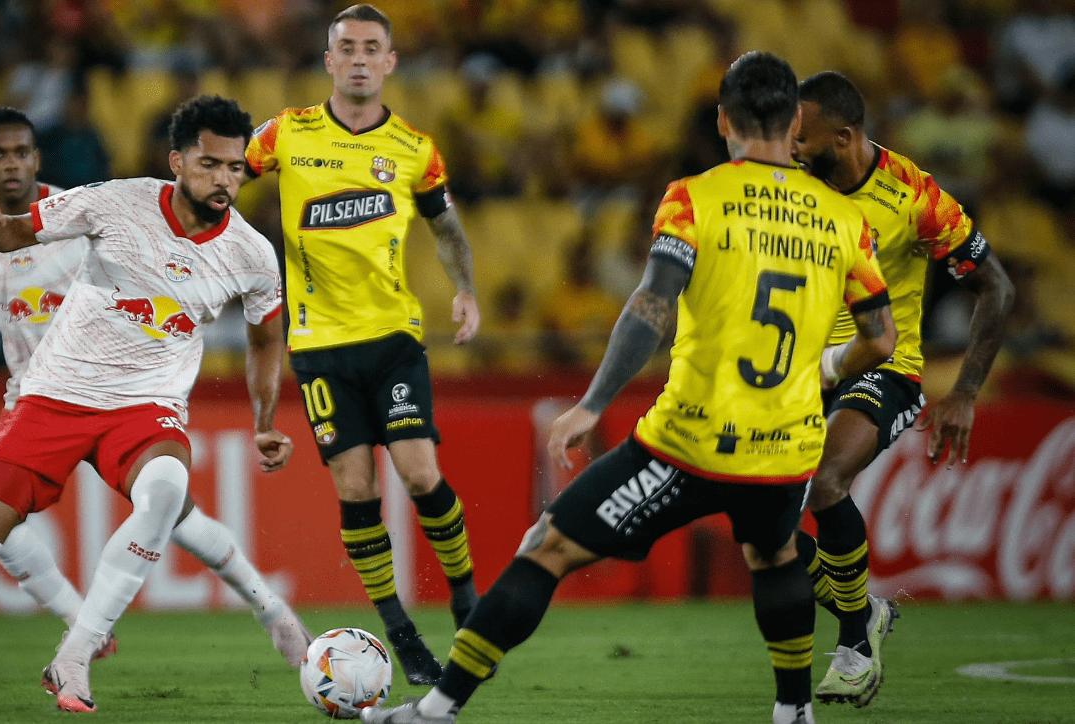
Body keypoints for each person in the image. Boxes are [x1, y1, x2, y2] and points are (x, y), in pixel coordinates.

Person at [361, 51, 897, 724]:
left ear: (723, 120)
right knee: (775, 552)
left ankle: (437, 709)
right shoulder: (846, 219)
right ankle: (793, 713)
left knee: (548, 545)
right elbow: (881, 339)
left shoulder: (695, 197)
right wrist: (825, 369)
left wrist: (592, 403)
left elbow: (653, 303)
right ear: (795, 123)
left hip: (690, 441)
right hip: (786, 447)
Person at [0, 95, 296, 713]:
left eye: (235, 168)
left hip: (146, 405)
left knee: (165, 494)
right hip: (54, 394)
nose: (224, 179)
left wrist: (264, 421)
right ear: (177, 162)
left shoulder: (253, 254)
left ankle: (75, 654)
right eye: (210, 164)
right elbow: (17, 233)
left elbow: (266, 340)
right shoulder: (117, 200)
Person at [243, 3, 481, 687]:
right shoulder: (285, 133)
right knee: (357, 488)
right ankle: (401, 633)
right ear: (328, 60)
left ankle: (467, 602)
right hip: (318, 347)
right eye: (346, 47)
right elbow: (222, 177)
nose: (358, 58)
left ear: (390, 62)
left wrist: (465, 289)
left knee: (420, 475)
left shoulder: (414, 148)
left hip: (392, 339)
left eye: (371, 48)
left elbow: (446, 227)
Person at [789, 70, 1014, 706]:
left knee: (826, 481)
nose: (792, 147)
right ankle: (866, 611)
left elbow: (995, 285)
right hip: (801, 370)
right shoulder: (789, 185)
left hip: (882, 366)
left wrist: (964, 391)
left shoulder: (913, 196)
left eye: (803, 137)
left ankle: (854, 650)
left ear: (845, 136)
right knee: (759, 527)